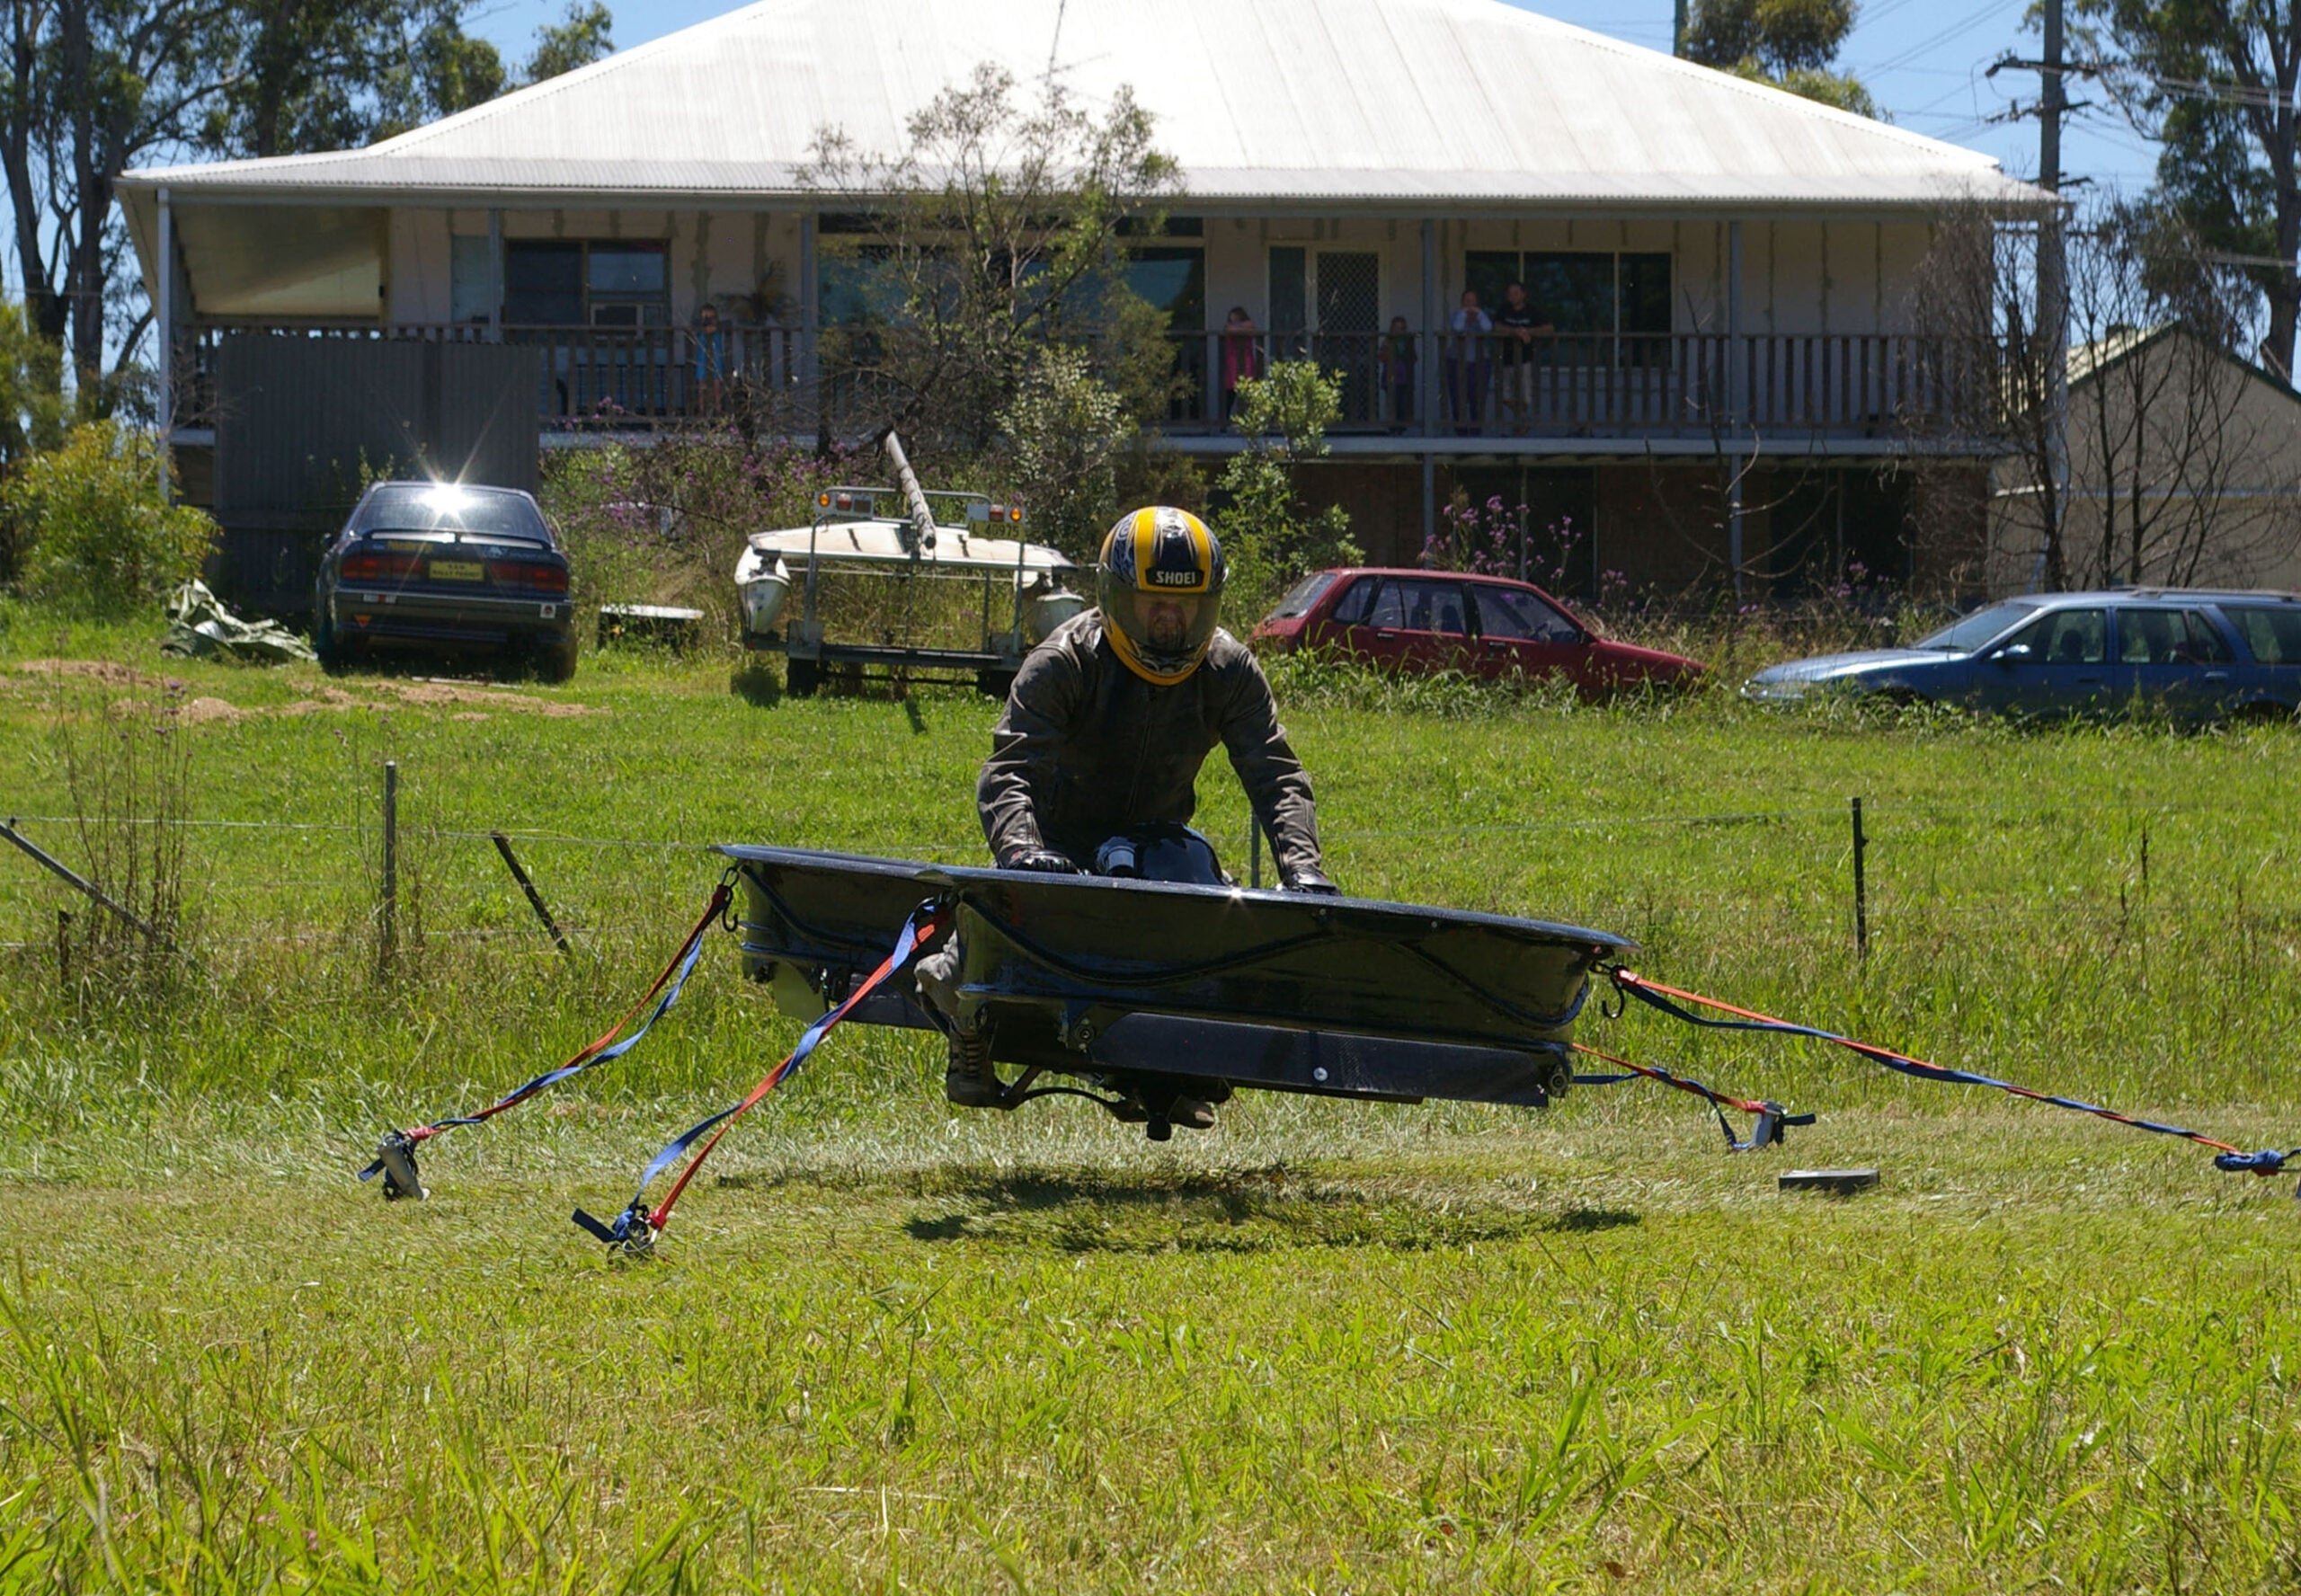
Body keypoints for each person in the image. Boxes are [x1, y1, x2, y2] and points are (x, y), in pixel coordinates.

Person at [917, 506, 1337, 1129]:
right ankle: (967, 1022)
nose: (1170, 620)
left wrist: (1303, 873)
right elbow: (1008, 773)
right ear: (1116, 596)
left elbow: (1276, 774)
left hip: (1155, 853)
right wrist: (1024, 854)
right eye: (1152, 603)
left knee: (1206, 895)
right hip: (1057, 853)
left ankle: (1180, 1067)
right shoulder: (1063, 662)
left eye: (1187, 606)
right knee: (997, 921)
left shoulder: (1228, 669)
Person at [1492, 280, 1554, 434]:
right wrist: (1516, 332)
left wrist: (1528, 332)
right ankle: (1523, 419)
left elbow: (1549, 328)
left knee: (1524, 397)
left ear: (1523, 295)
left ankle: (1520, 427)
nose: (1512, 297)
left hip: (1525, 359)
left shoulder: (1532, 310)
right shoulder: (1504, 309)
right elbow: (1496, 327)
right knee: (1504, 395)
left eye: (1515, 293)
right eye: (1509, 294)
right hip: (1505, 359)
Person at [1444, 288, 1491, 434]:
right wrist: (1464, 314)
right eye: (1466, 301)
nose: (1469, 304)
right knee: (1458, 400)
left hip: (1479, 362)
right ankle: (1461, 435)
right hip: (1457, 362)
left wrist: (1479, 314)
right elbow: (1457, 328)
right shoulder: (1456, 316)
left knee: (1477, 400)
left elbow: (1487, 329)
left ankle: (1476, 435)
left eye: (1472, 301)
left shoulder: (1482, 317)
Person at [1220, 306, 1264, 420]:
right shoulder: (1228, 327)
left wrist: (1237, 328)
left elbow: (1250, 326)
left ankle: (1252, 421)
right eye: (1231, 317)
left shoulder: (1248, 324)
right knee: (1230, 392)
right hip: (1232, 362)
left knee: (1248, 390)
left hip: (1246, 361)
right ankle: (1224, 422)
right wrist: (1237, 328)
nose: (1233, 319)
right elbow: (1228, 330)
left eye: (1235, 317)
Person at [1381, 314, 1417, 431]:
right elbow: (1381, 356)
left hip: (1404, 378)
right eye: (1396, 328)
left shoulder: (1407, 341)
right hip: (1390, 377)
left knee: (1402, 404)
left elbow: (1414, 358)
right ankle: (1392, 428)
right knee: (1392, 403)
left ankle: (1401, 428)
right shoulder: (1387, 341)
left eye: (1401, 328)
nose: (1398, 331)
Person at [691, 304, 727, 416]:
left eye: (711, 317)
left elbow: (725, 325)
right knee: (702, 384)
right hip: (702, 359)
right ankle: (701, 410)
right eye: (705, 317)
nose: (708, 320)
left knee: (717, 384)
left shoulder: (718, 329)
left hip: (716, 358)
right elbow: (695, 325)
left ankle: (718, 409)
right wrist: (703, 325)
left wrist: (715, 326)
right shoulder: (699, 328)